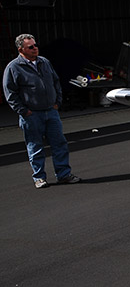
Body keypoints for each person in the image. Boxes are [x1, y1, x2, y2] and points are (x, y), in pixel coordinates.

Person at [3, 34, 79, 188]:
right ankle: (39, 177)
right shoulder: (13, 67)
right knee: (35, 146)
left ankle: (63, 174)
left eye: (35, 45)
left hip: (51, 111)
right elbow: (10, 92)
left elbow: (55, 81)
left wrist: (57, 101)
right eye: (30, 47)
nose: (35, 48)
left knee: (59, 143)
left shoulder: (44, 62)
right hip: (32, 114)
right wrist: (23, 111)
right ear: (21, 49)